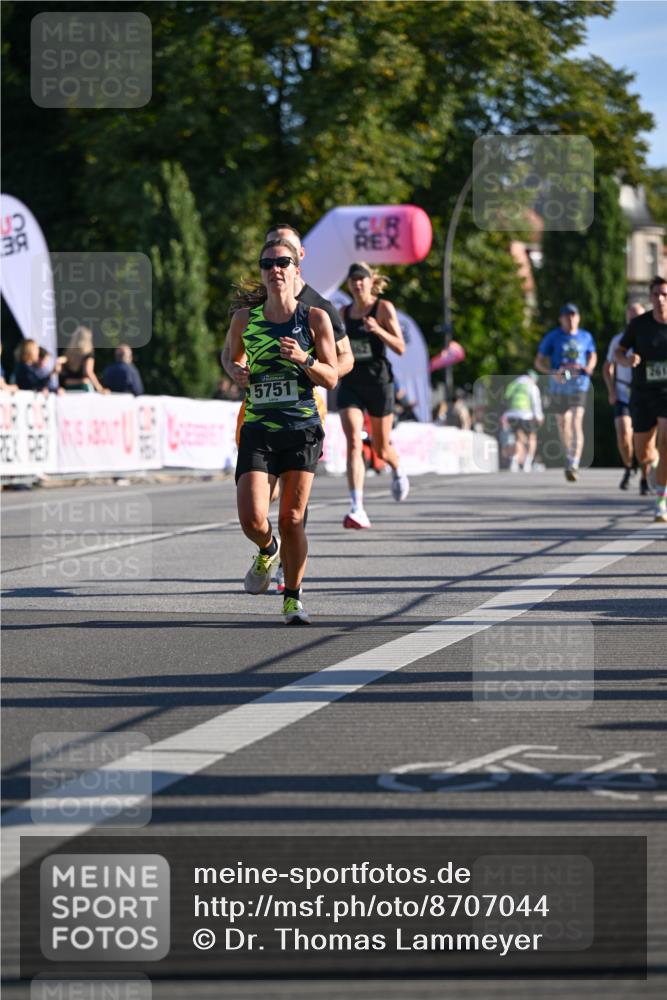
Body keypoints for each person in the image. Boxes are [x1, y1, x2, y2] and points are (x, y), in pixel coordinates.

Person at [223, 222, 354, 593]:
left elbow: (341, 366)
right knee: (254, 514)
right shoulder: (247, 313)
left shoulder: (318, 311)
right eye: (268, 260)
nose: (275, 267)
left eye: (283, 259)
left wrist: (305, 362)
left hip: (303, 417)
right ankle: (269, 548)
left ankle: (292, 590)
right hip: (259, 421)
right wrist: (235, 370)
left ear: (298, 263)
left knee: (291, 515)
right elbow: (230, 354)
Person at [337, 262, 409, 529]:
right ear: (349, 284)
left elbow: (400, 347)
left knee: (380, 447)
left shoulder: (383, 308)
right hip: (352, 383)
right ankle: (357, 508)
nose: (357, 284)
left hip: (379, 383)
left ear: (370, 282)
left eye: (362, 279)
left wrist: (378, 330)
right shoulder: (343, 313)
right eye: (353, 279)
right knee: (354, 441)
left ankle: (398, 468)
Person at [616, 276, 667, 523]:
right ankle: (653, 461)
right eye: (656, 294)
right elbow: (618, 352)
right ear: (650, 298)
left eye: (665, 295)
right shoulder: (638, 325)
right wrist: (627, 360)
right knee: (643, 453)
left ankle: (661, 500)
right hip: (643, 393)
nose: (660, 299)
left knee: (666, 443)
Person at [534, 303, 597, 481]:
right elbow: (539, 361)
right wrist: (551, 373)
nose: (570, 319)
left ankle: (574, 461)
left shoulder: (586, 336)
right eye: (567, 316)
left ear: (578, 317)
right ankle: (570, 455)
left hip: (580, 385)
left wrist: (590, 366)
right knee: (563, 424)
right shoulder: (553, 337)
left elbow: (592, 354)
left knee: (576, 420)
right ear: (561, 319)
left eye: (573, 315)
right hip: (559, 387)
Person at [603, 303, 654, 492]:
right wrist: (611, 390)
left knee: (646, 438)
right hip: (624, 392)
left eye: (638, 317)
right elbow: (608, 365)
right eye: (631, 317)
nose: (634, 320)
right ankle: (628, 465)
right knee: (624, 434)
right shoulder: (618, 340)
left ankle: (644, 476)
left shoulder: (649, 337)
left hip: (645, 392)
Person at [502, 369, 544, 472]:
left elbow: (505, 399)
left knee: (517, 438)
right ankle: (528, 462)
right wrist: (539, 416)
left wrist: (504, 415)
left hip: (512, 414)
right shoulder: (531, 385)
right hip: (526, 414)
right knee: (532, 437)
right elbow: (535, 401)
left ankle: (514, 462)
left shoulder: (513, 384)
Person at [60, 326, 107, 393]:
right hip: (83, 386)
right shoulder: (88, 354)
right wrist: (99, 388)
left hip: (69, 386)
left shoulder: (67, 353)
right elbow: (88, 372)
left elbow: (61, 370)